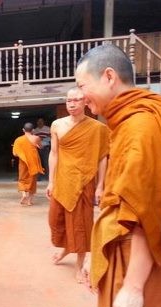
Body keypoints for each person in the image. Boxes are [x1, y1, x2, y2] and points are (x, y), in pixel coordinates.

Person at [77, 44, 161, 307]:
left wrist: (132, 286)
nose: (79, 95)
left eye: (81, 85)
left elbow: (145, 209)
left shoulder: (140, 126)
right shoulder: (133, 119)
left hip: (139, 260)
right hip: (124, 246)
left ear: (108, 76)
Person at [46, 87, 109, 283]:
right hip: (63, 179)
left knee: (81, 224)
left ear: (85, 102)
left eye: (77, 100)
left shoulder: (98, 128)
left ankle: (80, 265)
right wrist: (51, 181)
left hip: (84, 182)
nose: (72, 104)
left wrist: (100, 186)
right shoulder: (57, 125)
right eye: (69, 100)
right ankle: (66, 249)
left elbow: (102, 158)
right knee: (58, 220)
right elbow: (54, 153)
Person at [12, 123, 44, 206]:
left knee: (22, 178)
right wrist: (36, 145)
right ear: (33, 130)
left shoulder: (18, 139)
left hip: (23, 161)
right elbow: (41, 147)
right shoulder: (36, 138)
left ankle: (23, 194)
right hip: (33, 161)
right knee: (33, 180)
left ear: (23, 130)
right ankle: (29, 201)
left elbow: (15, 153)